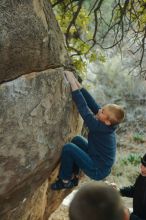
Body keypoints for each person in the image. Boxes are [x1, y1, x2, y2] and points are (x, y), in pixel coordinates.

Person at [51, 71, 125, 190]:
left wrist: (72, 85)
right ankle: (74, 175)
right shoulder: (107, 124)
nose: (99, 110)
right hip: (96, 157)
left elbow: (84, 109)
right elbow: (92, 104)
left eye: (102, 112)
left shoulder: (100, 127)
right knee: (77, 140)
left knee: (68, 148)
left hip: (98, 170)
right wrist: (76, 83)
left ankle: (64, 181)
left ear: (107, 121)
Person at [119, 153, 146, 220]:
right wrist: (119, 190)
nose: (142, 168)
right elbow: (136, 190)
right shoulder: (143, 176)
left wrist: (130, 216)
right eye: (142, 164)